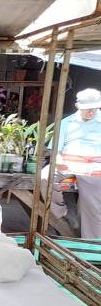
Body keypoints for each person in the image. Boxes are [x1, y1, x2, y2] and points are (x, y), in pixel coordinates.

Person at [49, 88, 101, 238]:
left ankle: (91, 243)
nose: (91, 112)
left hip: (94, 167)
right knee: (45, 176)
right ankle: (60, 212)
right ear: (78, 106)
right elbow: (55, 151)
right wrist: (58, 160)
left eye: (94, 108)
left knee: (93, 205)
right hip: (68, 163)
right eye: (87, 109)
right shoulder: (66, 123)